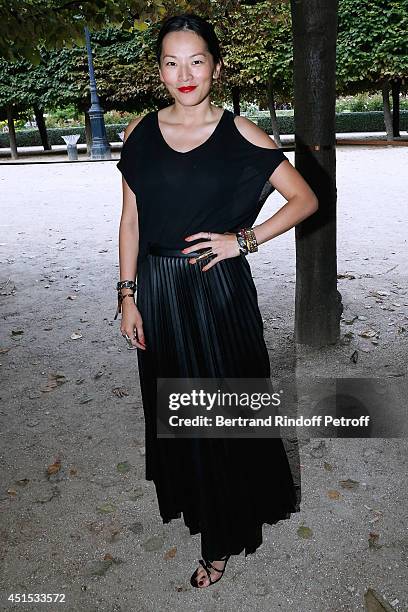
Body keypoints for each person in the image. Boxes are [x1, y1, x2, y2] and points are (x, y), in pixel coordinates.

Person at [115, 13, 318, 589]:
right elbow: (130, 221)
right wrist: (127, 296)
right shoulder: (139, 134)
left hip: (217, 293)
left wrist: (244, 241)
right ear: (159, 70)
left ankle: (221, 537)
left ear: (216, 66)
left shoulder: (243, 134)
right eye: (171, 62)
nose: (185, 73)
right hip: (156, 290)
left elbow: (304, 198)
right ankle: (202, 509)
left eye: (196, 60)